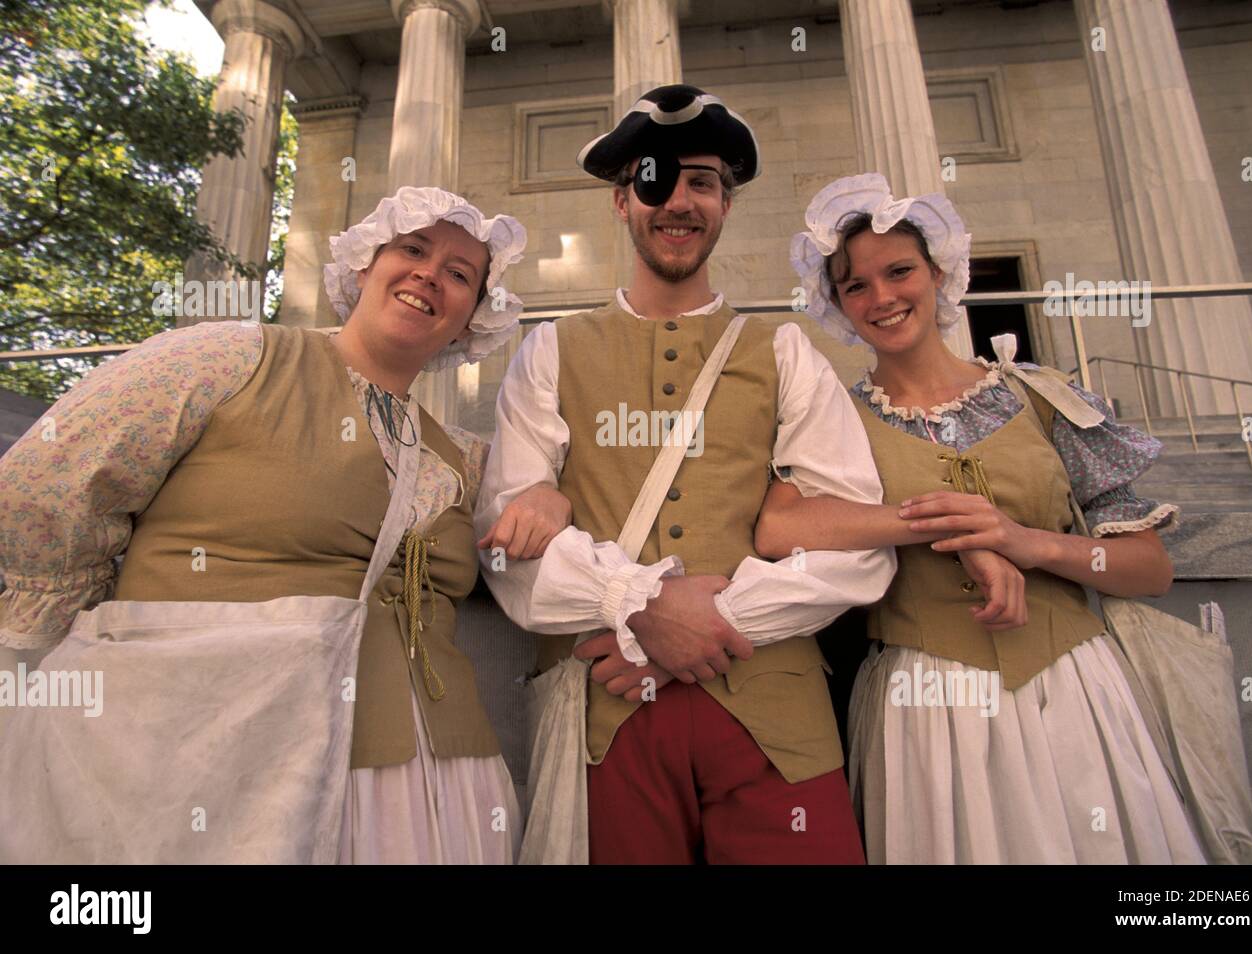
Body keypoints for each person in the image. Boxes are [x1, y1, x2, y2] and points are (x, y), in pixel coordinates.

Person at [0, 185, 567, 864]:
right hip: (214, 746)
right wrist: (101, 644)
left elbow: (538, 512)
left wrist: (547, 495)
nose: (428, 274)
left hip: (437, 779)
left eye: (459, 274)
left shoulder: (463, 460)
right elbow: (47, 480)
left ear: (472, 320)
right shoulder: (227, 360)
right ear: (362, 267)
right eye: (412, 250)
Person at [475, 85, 896, 865]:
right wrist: (634, 605)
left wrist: (702, 623)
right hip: (612, 725)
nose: (679, 199)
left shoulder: (784, 353)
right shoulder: (551, 352)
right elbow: (505, 548)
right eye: (655, 178)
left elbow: (858, 541)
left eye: (702, 181)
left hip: (779, 722)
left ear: (726, 206)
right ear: (620, 201)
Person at [755, 172, 1206, 863]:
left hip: (1074, 693)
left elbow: (1149, 568)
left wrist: (1023, 541)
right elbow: (781, 529)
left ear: (939, 272)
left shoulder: (1041, 396)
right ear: (838, 305)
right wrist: (943, 524)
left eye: (899, 271)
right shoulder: (834, 420)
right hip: (925, 707)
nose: (882, 297)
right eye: (856, 286)